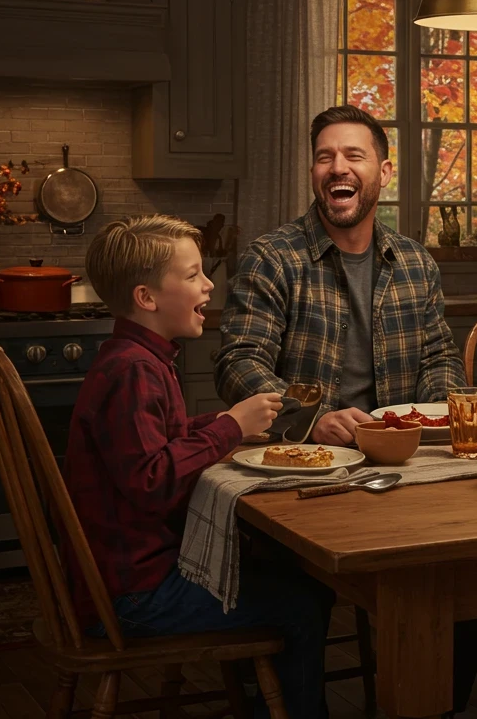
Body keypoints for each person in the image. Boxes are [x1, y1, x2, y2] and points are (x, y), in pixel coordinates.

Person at [215, 104, 477, 713]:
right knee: (300, 596)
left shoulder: (415, 262)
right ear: (313, 172)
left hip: (402, 472)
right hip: (306, 477)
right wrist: (310, 417)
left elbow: (439, 355)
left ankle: (433, 705)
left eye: (354, 155)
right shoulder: (274, 258)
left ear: (383, 172)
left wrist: (444, 409)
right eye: (324, 156)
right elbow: (238, 361)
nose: (337, 167)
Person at [64, 214, 330, 719]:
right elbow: (153, 481)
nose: (209, 285)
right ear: (147, 298)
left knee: (285, 575)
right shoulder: (133, 370)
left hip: (127, 581)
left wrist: (231, 423)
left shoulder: (137, 357)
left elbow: (161, 441)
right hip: (131, 595)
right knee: (301, 604)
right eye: (193, 275)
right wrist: (228, 427)